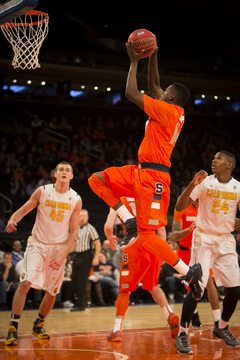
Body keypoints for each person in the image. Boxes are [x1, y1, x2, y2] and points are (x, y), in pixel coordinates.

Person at [88, 40, 203, 300]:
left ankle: (188, 272)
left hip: (155, 178)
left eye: (166, 91)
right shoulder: (172, 109)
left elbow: (131, 92)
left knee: (148, 236)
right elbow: (153, 86)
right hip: (140, 171)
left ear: (170, 97)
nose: (159, 91)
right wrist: (153, 55)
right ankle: (127, 217)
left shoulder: (166, 111)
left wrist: (134, 61)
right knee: (96, 180)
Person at [5, 161, 82, 346]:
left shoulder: (76, 199)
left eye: (68, 170)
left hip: (58, 248)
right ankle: (13, 327)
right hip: (37, 244)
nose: (64, 172)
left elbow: (74, 233)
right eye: (61, 169)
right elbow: (23, 209)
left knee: (52, 292)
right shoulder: (43, 191)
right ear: (55, 174)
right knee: (25, 284)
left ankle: (38, 324)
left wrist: (63, 254)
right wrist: (12, 219)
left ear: (71, 176)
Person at [173, 151, 240, 354]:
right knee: (197, 288)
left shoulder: (237, 187)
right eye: (214, 158)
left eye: (219, 159)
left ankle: (221, 327)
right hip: (204, 238)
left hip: (226, 241)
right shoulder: (204, 182)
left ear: (229, 165)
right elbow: (179, 205)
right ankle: (182, 333)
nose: (214, 160)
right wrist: (192, 184)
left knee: (235, 291)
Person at [104, 197, 180, 341]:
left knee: (124, 291)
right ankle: (169, 313)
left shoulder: (119, 199)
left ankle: (117, 330)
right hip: (153, 243)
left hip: (133, 244)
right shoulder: (148, 196)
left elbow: (109, 226)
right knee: (153, 285)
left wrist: (110, 236)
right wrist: (162, 251)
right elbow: (162, 229)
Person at [172, 201, 220, 328]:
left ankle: (218, 320)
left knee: (209, 282)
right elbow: (174, 236)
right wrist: (189, 229)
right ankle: (194, 313)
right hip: (184, 251)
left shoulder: (208, 205)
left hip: (202, 250)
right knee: (190, 284)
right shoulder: (181, 207)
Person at [70, 209, 101, 311]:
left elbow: (97, 243)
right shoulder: (76, 228)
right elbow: (74, 244)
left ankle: (80, 305)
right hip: (77, 255)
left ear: (87, 218)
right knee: (73, 279)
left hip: (87, 255)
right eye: (81, 215)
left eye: (84, 216)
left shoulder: (90, 228)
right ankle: (83, 301)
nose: (82, 217)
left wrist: (96, 257)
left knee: (82, 281)